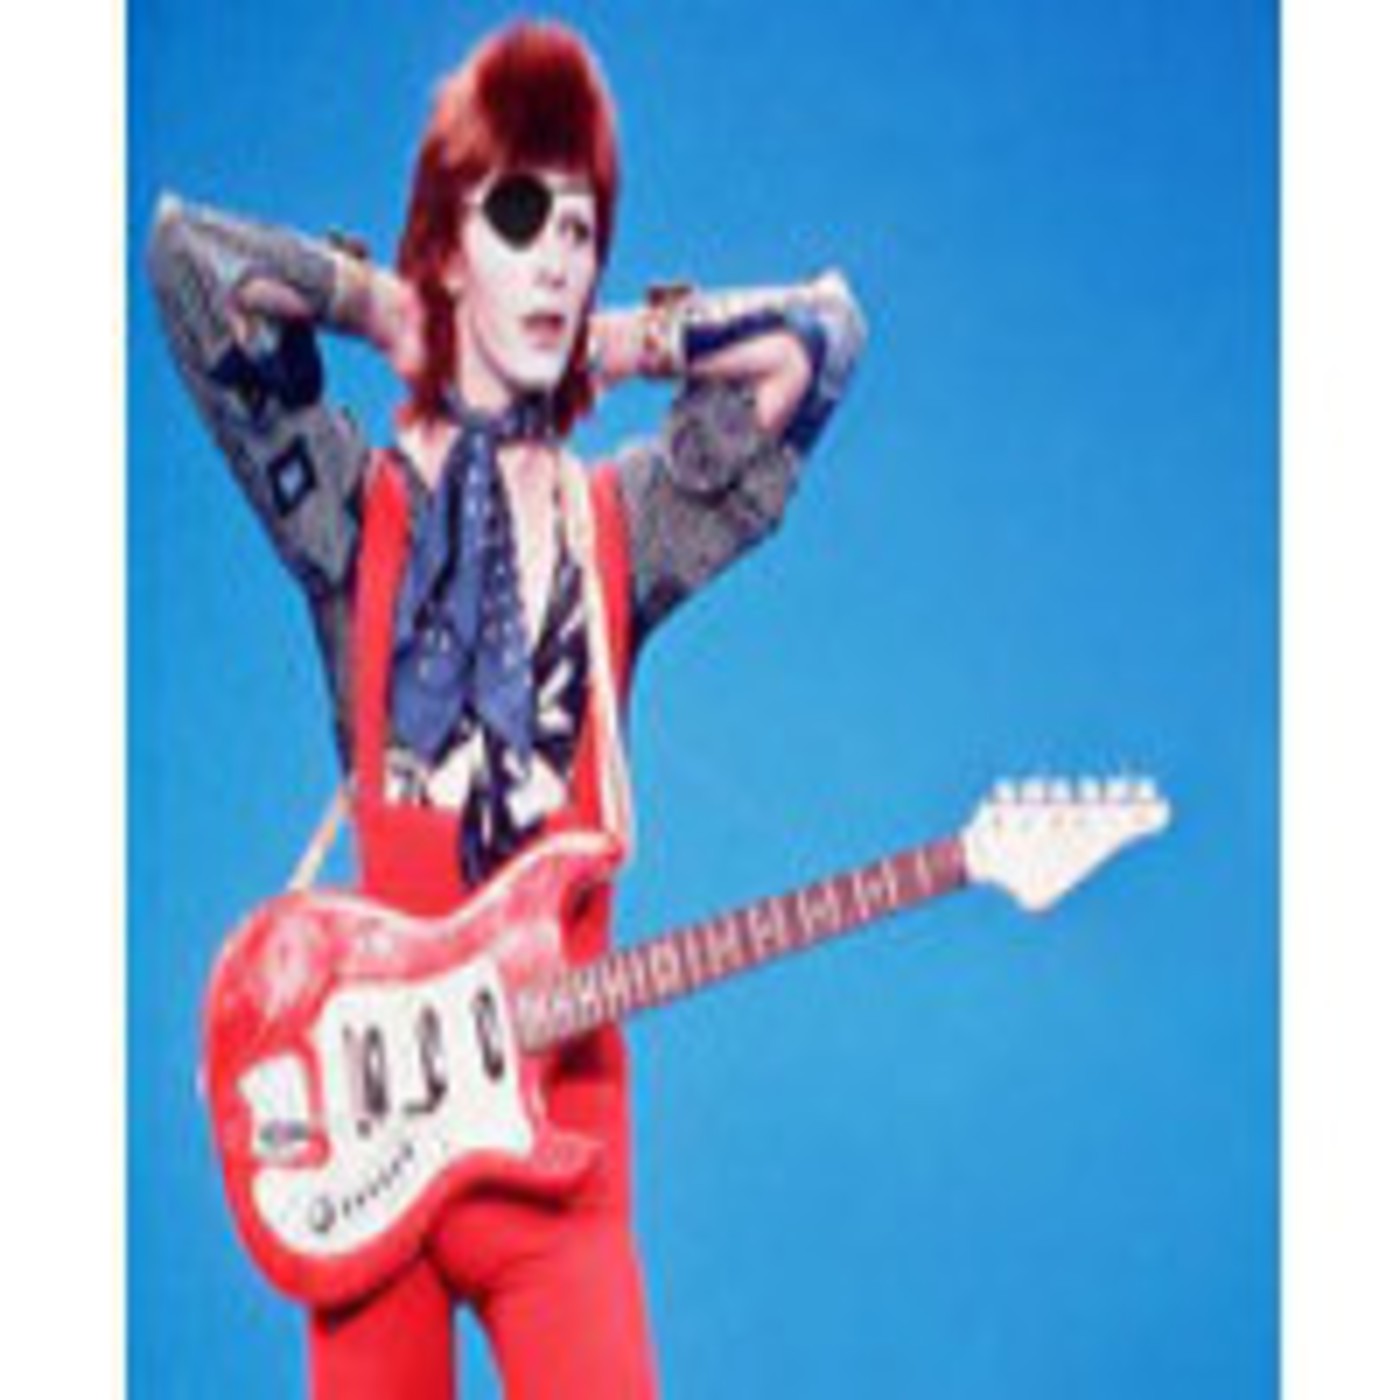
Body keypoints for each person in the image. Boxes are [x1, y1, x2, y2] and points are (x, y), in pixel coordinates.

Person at [148, 18, 863, 1400]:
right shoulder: (350, 517)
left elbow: (819, 344)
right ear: (449, 243)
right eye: (518, 217)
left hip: (565, 1158)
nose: (553, 256)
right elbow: (190, 263)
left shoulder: (628, 525)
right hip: (373, 1154)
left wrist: (622, 340)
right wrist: (388, 308)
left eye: (578, 229)